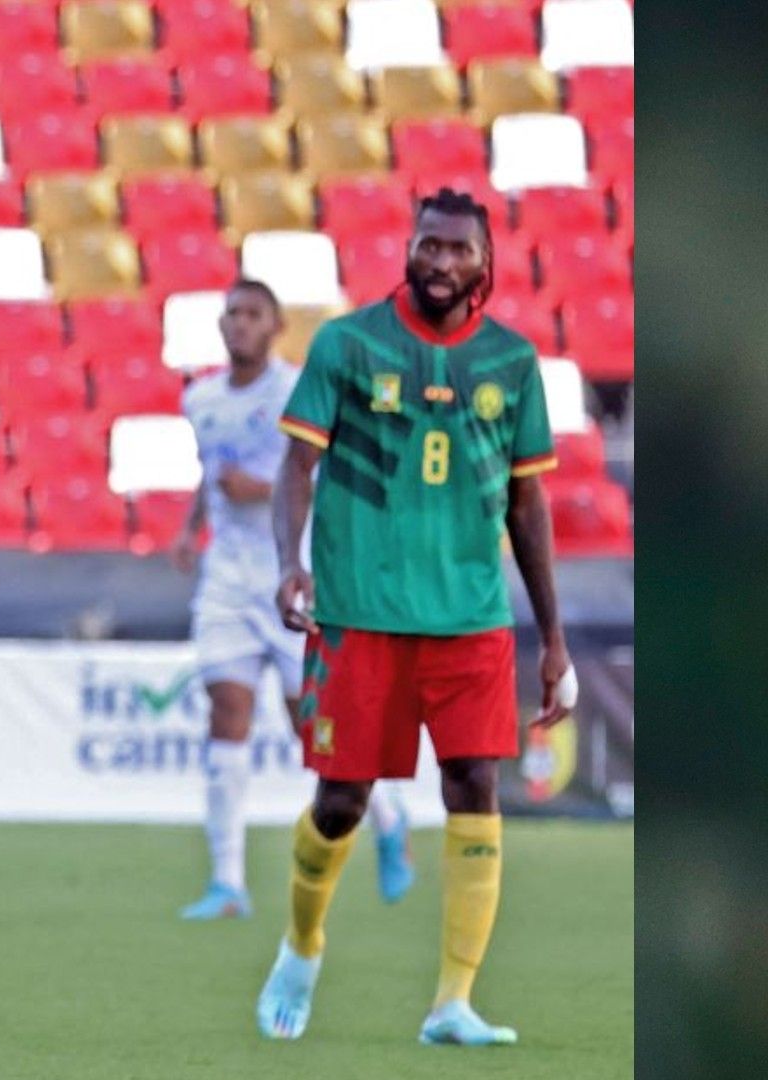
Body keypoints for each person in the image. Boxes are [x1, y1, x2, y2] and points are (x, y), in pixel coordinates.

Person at [254, 189, 576, 1046]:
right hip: (360, 614)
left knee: (476, 787)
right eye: (428, 246)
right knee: (341, 801)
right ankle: (302, 942)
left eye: (458, 251)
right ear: (410, 248)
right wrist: (289, 563)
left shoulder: (512, 362)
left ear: (486, 260)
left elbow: (527, 499)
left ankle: (453, 1003)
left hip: (472, 618)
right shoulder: (349, 344)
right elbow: (296, 469)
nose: (440, 263)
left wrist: (553, 639)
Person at [170, 279, 413, 921]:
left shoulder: (296, 390)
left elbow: (320, 470)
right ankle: (227, 883)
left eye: (253, 315)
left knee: (314, 726)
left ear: (276, 326)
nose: (240, 324)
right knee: (226, 712)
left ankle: (388, 819)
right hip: (226, 576)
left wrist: (262, 489)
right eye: (232, 314)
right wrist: (191, 524)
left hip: (290, 572)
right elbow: (211, 469)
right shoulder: (200, 398)